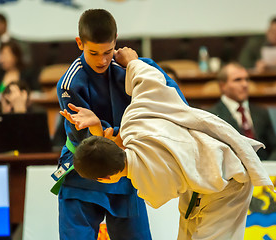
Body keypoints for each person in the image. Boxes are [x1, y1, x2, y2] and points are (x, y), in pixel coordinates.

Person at [59, 47, 274, 240]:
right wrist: (133, 62)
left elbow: (150, 166)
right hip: (202, 178)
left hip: (229, 182)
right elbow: (150, 82)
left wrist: (98, 129)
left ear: (106, 179)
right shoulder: (133, 122)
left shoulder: (148, 186)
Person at [53, 9, 187, 240]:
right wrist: (103, 131)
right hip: (84, 170)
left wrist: (135, 64)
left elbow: (176, 105)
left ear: (116, 41)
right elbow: (90, 141)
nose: (102, 60)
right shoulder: (70, 83)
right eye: (94, 53)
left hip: (125, 167)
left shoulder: (134, 67)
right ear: (79, 43)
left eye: (107, 51)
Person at [207, 62, 276, 160]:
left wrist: (268, 169)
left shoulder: (261, 112)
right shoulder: (212, 116)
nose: (245, 84)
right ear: (223, 86)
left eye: (246, 79)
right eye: (238, 80)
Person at [0, 81, 45, 152]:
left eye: (14, 104)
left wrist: (20, 112)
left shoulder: (37, 114)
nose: (9, 108)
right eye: (7, 102)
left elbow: (32, 146)